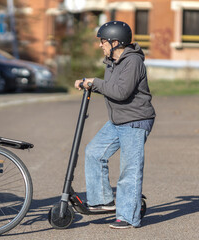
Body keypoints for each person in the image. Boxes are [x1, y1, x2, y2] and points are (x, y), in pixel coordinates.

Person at [74, 21, 156, 229]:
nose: (101, 45)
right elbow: (111, 88)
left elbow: (121, 92)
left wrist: (95, 81)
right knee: (94, 152)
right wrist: (89, 83)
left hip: (135, 120)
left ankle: (128, 216)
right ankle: (102, 201)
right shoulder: (112, 61)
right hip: (119, 119)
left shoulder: (133, 61)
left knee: (130, 169)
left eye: (103, 41)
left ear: (116, 42)